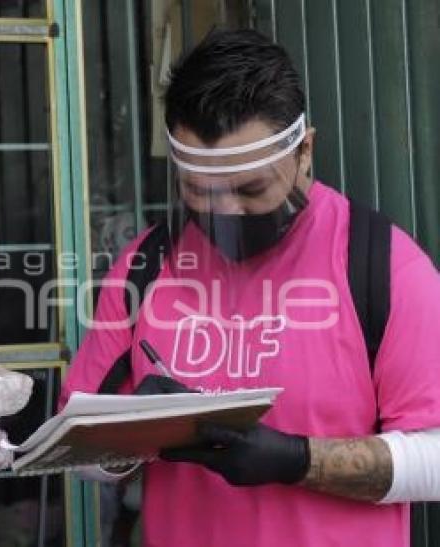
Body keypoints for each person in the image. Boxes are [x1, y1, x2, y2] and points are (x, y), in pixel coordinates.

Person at [63, 30, 440, 547]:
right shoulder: (145, 265)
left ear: (305, 150)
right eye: (200, 191)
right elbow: (80, 456)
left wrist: (296, 460)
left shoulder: (383, 264)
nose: (227, 213)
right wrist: (133, 434)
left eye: (251, 189)